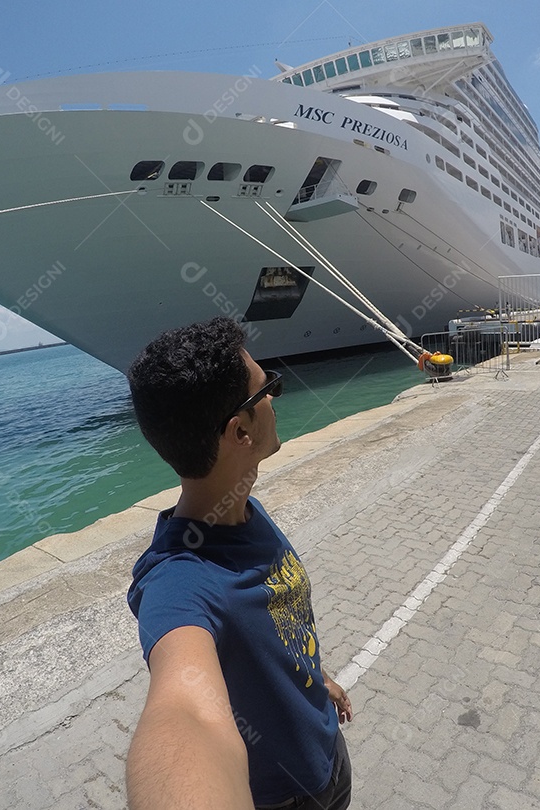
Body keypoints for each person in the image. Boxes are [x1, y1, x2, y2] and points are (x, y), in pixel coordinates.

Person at [124, 317, 353, 810]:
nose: (276, 398)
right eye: (270, 388)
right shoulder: (177, 582)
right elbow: (185, 716)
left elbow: (274, 633)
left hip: (328, 755)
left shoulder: (244, 509)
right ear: (241, 430)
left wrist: (316, 681)